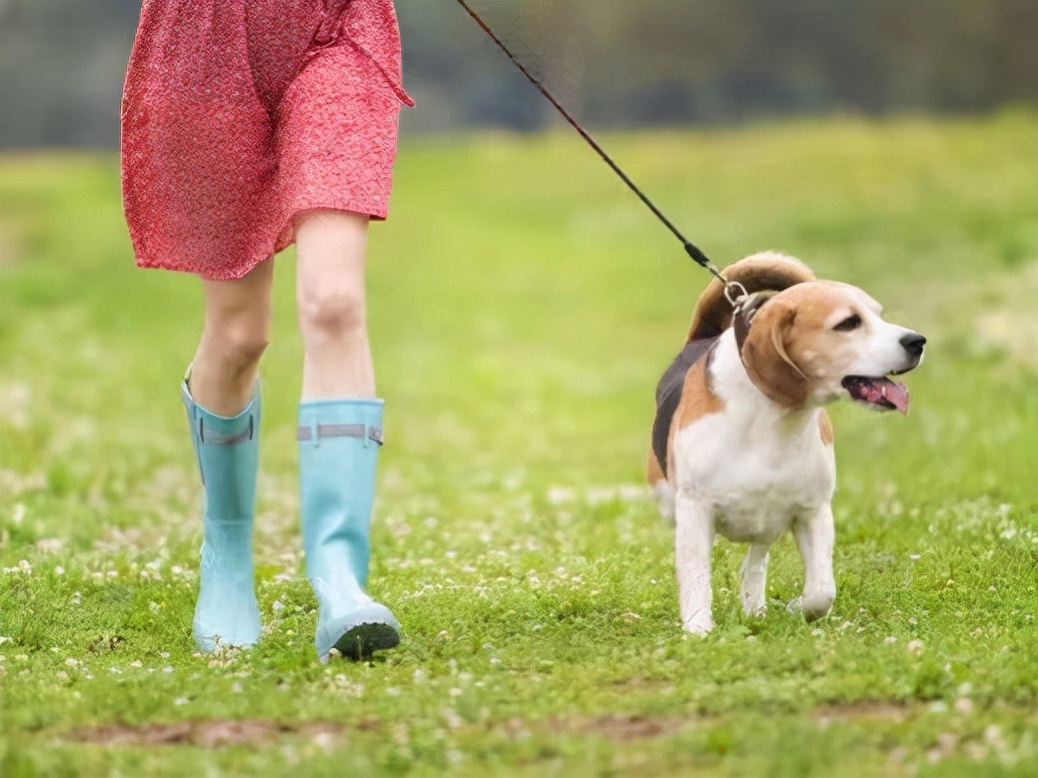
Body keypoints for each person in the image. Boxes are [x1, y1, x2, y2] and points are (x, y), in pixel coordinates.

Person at [120, 0, 413, 661]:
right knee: (238, 333)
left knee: (335, 300)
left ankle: (340, 576)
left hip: (334, 29)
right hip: (203, 43)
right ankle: (225, 548)